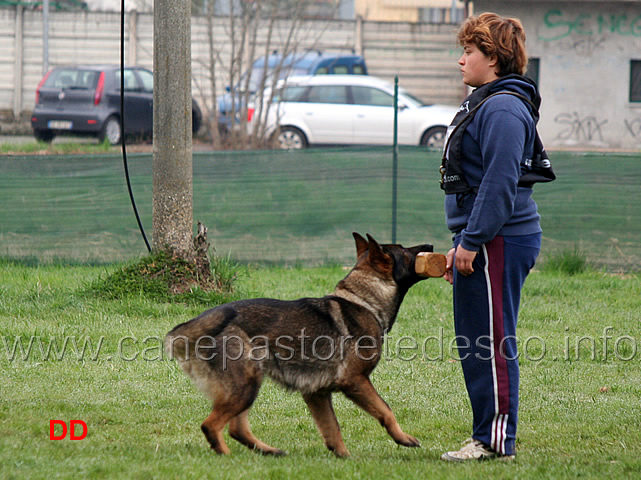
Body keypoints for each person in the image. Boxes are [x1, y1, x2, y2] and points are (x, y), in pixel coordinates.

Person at [440, 12, 544, 462]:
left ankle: (494, 441)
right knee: (476, 340)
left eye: (469, 51)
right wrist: (464, 236)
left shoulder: (502, 107)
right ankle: (487, 433)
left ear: (494, 58)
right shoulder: (489, 101)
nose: (461, 60)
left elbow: (500, 182)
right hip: (485, 238)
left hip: (499, 240)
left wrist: (473, 240)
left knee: (491, 341)